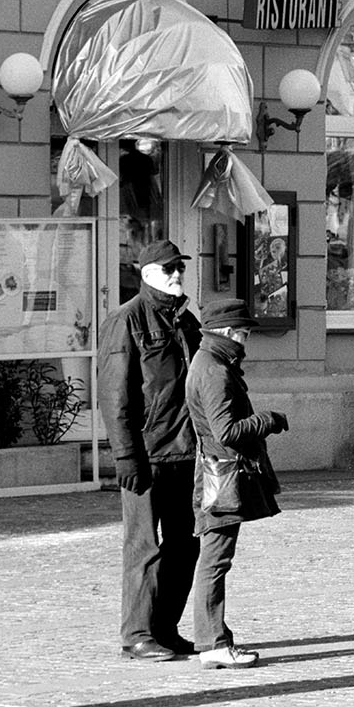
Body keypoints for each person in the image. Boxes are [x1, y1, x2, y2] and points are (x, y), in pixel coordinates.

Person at [100, 237, 201, 660]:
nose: (177, 273)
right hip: (147, 454)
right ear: (145, 274)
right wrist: (126, 455)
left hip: (186, 452)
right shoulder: (126, 320)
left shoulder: (187, 321)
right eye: (168, 268)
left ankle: (165, 627)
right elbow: (114, 395)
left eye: (180, 267)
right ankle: (137, 634)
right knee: (143, 546)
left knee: (186, 543)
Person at [185, 296, 288, 669]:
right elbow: (226, 431)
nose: (246, 341)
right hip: (221, 478)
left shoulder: (210, 361)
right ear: (229, 332)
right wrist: (268, 420)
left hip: (218, 473)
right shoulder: (214, 370)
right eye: (244, 333)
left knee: (215, 559)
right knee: (215, 560)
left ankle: (214, 639)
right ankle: (212, 643)